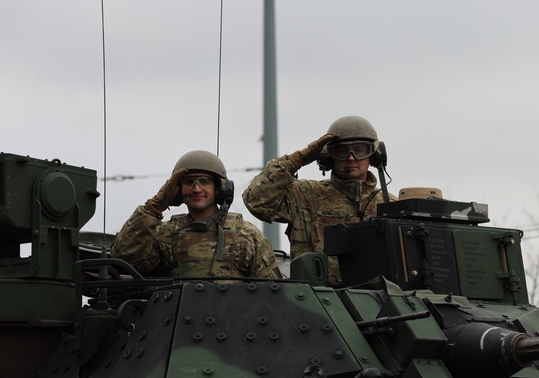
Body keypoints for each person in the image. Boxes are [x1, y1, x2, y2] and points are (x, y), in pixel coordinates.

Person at [243, 115, 390, 284]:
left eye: (359, 150)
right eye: (342, 151)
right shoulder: (305, 195)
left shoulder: (388, 205)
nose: (351, 158)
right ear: (328, 157)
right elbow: (255, 199)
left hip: (378, 302)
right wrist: (299, 159)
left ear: (374, 155)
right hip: (317, 301)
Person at [111, 150, 281, 280]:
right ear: (177, 190)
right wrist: (153, 208)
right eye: (189, 182)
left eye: (205, 181)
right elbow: (125, 261)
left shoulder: (246, 235)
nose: (196, 189)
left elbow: (270, 291)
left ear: (220, 188)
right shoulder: (165, 235)